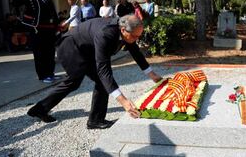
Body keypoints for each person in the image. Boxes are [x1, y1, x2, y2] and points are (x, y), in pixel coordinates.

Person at [27, 15, 163, 129]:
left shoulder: (127, 32)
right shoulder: (106, 34)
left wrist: (153, 75)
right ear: (123, 30)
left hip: (87, 50)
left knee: (100, 82)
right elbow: (104, 70)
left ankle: (95, 120)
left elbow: (136, 52)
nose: (136, 40)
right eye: (134, 36)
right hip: (71, 47)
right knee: (74, 81)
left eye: (139, 36)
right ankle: (40, 109)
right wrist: (124, 101)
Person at [12, 0, 60, 83]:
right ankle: (43, 76)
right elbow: (15, 2)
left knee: (50, 53)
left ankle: (50, 73)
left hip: (49, 30)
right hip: (36, 30)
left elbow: (53, 14)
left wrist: (57, 27)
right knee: (40, 54)